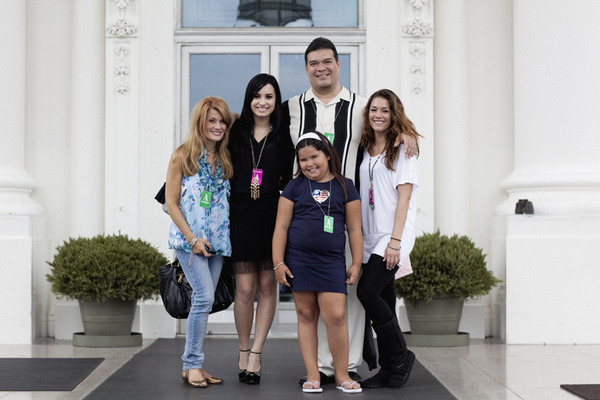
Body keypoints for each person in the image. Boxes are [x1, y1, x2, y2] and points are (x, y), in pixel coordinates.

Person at [282, 36, 418, 384]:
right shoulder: (292, 107)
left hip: (351, 213)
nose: (321, 67)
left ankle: (346, 365)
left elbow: (383, 123)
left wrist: (407, 133)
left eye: (327, 61)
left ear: (338, 64)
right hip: (308, 217)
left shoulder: (359, 105)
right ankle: (324, 368)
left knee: (351, 294)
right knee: (317, 300)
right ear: (307, 68)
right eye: (313, 62)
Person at [272, 131, 363, 393]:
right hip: (299, 261)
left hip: (331, 262)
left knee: (335, 316)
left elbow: (355, 230)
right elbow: (281, 227)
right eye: (303, 159)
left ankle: (343, 375)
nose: (309, 163)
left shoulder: (345, 186)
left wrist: (356, 262)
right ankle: (313, 374)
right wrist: (278, 262)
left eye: (314, 156)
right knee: (307, 315)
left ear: (327, 154)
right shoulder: (294, 186)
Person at [228, 73, 294, 385]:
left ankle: (256, 352)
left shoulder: (284, 136)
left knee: (269, 288)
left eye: (268, 96)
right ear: (249, 99)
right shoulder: (235, 131)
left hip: (270, 214)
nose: (262, 102)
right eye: (257, 96)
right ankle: (242, 347)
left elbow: (291, 178)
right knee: (244, 289)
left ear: (275, 100)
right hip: (239, 215)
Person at [165, 96, 233, 388]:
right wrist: (191, 239)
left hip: (218, 243)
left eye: (222, 121)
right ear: (200, 123)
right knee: (203, 297)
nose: (217, 126)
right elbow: (170, 203)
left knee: (204, 302)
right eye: (212, 121)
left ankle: (194, 364)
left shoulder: (225, 158)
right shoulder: (182, 156)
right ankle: (191, 364)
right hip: (189, 241)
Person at [356, 89, 421, 388]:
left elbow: (403, 200)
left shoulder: (403, 149)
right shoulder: (366, 146)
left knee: (366, 292)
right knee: (384, 298)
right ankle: (387, 368)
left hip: (393, 235)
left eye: (385, 110)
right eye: (374, 109)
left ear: (394, 114)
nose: (378, 115)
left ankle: (400, 357)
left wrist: (395, 242)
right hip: (370, 233)